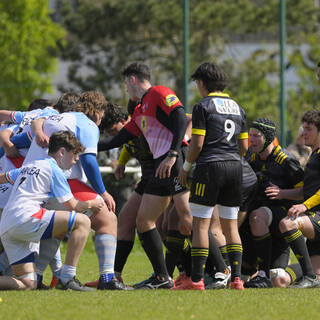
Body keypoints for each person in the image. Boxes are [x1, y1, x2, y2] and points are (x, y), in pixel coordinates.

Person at [97, 62, 192, 289]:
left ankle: (219, 272)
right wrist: (83, 145)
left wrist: (173, 153)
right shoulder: (140, 110)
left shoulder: (159, 92)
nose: (126, 90)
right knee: (144, 221)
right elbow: (117, 140)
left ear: (132, 79)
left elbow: (181, 117)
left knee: (187, 220)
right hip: (161, 166)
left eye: (125, 84)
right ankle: (162, 277)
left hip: (173, 160)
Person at [23, 95, 129, 290]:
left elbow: (19, 140)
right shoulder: (86, 123)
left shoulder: (54, 117)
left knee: (59, 227)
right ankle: (101, 278)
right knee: (108, 219)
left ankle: (36, 276)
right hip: (58, 182)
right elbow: (89, 161)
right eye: (102, 114)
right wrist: (104, 193)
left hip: (30, 185)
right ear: (97, 111)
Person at [175, 62, 247, 290]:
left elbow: (197, 144)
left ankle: (196, 280)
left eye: (197, 83)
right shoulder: (238, 107)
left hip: (210, 167)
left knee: (201, 224)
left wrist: (186, 167)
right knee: (231, 226)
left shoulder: (203, 106)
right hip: (235, 166)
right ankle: (236, 279)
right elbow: (244, 145)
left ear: (203, 83)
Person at [0, 131, 103, 291]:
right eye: (74, 154)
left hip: (6, 224)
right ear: (62, 152)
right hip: (26, 217)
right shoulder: (54, 169)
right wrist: (92, 203)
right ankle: (68, 278)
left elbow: (3, 177)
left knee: (28, 284)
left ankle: (55, 276)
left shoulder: (30, 165)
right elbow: (74, 206)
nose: (76, 160)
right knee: (83, 221)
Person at [243, 118, 305, 288]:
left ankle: (263, 274)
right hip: (256, 225)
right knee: (273, 278)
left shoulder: (286, 160)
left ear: (269, 137)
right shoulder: (250, 156)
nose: (252, 140)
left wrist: (282, 193)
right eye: (250, 136)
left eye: (257, 136)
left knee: (277, 277)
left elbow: (304, 192)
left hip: (281, 216)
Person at [266, 110, 320, 288]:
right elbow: (307, 191)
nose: (303, 132)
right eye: (303, 128)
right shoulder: (314, 154)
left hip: (317, 215)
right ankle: (312, 276)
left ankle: (310, 277)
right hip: (313, 217)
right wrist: (282, 193)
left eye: (309, 129)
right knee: (280, 281)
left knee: (288, 224)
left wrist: (304, 206)